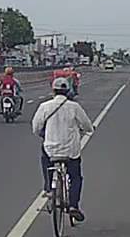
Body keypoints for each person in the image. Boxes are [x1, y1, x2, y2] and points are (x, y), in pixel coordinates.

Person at [33, 76, 94, 222]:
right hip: (70, 151)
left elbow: (36, 127)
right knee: (76, 177)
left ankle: (49, 187)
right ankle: (73, 206)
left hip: (51, 149)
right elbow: (87, 126)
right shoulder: (74, 107)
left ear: (53, 91)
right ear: (68, 91)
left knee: (45, 159)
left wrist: (43, 134)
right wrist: (86, 129)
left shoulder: (45, 107)